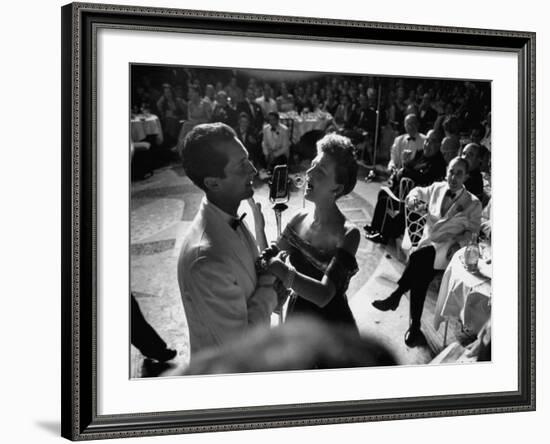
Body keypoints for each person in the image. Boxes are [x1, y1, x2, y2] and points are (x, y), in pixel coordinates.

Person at [177, 123, 278, 360]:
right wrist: (270, 286)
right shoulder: (205, 259)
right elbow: (241, 347)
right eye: (242, 165)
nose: (253, 170)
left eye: (249, 159)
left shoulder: (228, 214)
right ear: (213, 182)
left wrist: (265, 263)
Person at [371, 157, 482, 347]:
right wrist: (414, 199)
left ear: (466, 176)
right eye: (451, 171)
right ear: (446, 171)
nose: (453, 177)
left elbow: (473, 232)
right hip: (427, 243)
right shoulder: (437, 188)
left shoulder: (473, 203)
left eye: (459, 173)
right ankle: (413, 323)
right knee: (420, 272)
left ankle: (397, 297)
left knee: (418, 260)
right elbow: (417, 192)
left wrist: (458, 244)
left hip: (449, 250)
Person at [262, 134, 361, 332]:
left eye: (321, 171)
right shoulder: (298, 218)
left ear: (337, 188)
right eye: (313, 165)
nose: (310, 172)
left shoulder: (348, 233)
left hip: (332, 326)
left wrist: (283, 271)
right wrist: (259, 226)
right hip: (298, 316)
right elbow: (272, 258)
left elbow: (324, 295)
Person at [364, 129, 446, 244]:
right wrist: (405, 163)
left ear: (439, 145)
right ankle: (375, 227)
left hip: (418, 202)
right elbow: (408, 168)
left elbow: (424, 178)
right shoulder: (420, 153)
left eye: (433, 142)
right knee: (383, 193)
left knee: (386, 201)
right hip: (403, 193)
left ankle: (383, 235)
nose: (428, 144)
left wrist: (405, 171)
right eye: (427, 140)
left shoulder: (439, 164)